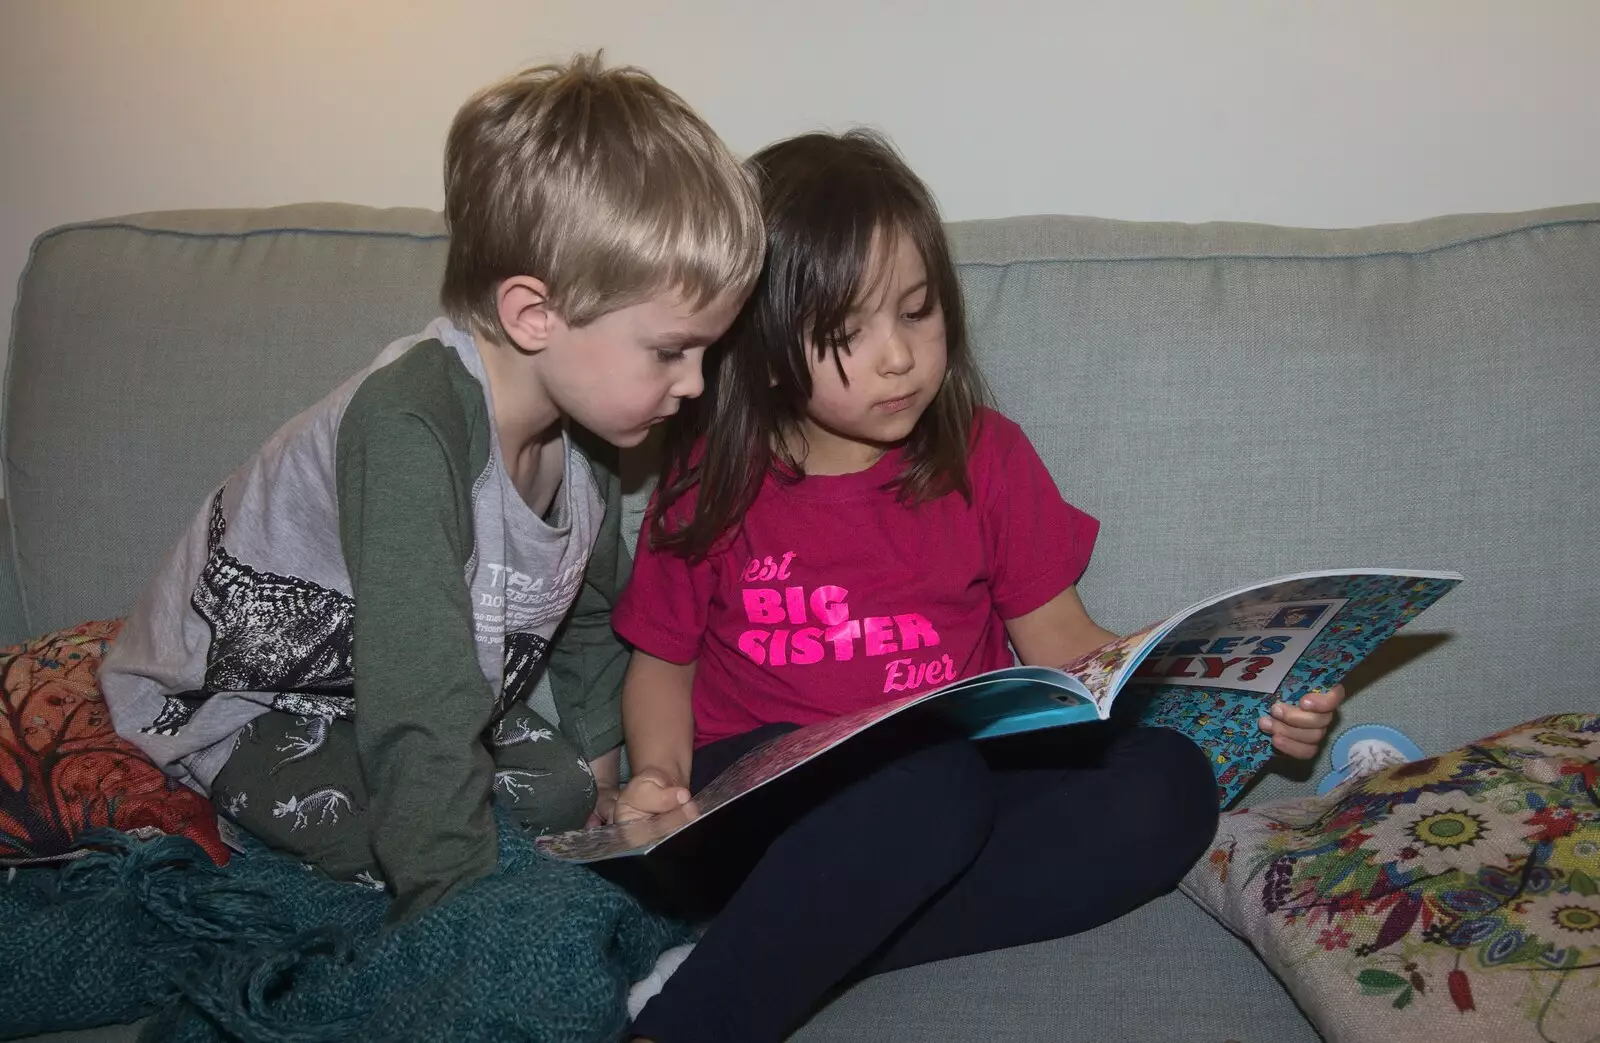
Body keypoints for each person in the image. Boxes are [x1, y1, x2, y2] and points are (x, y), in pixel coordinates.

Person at [611, 129, 1344, 1041]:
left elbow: (1070, 651)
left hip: (947, 791)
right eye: (847, 333)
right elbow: (658, 666)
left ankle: (784, 945)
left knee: (1170, 786)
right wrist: (656, 776)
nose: (898, 357)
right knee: (925, 779)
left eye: (917, 312)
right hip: (759, 804)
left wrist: (1243, 687)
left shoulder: (985, 455)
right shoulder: (708, 481)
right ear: (761, 351)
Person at [100, 53, 763, 921]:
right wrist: (461, 919)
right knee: (431, 840)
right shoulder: (412, 425)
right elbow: (420, 702)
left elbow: (595, 618)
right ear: (535, 314)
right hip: (238, 706)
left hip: (402, 698)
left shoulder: (593, 445)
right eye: (671, 351)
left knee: (558, 799)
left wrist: (615, 784)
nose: (696, 385)